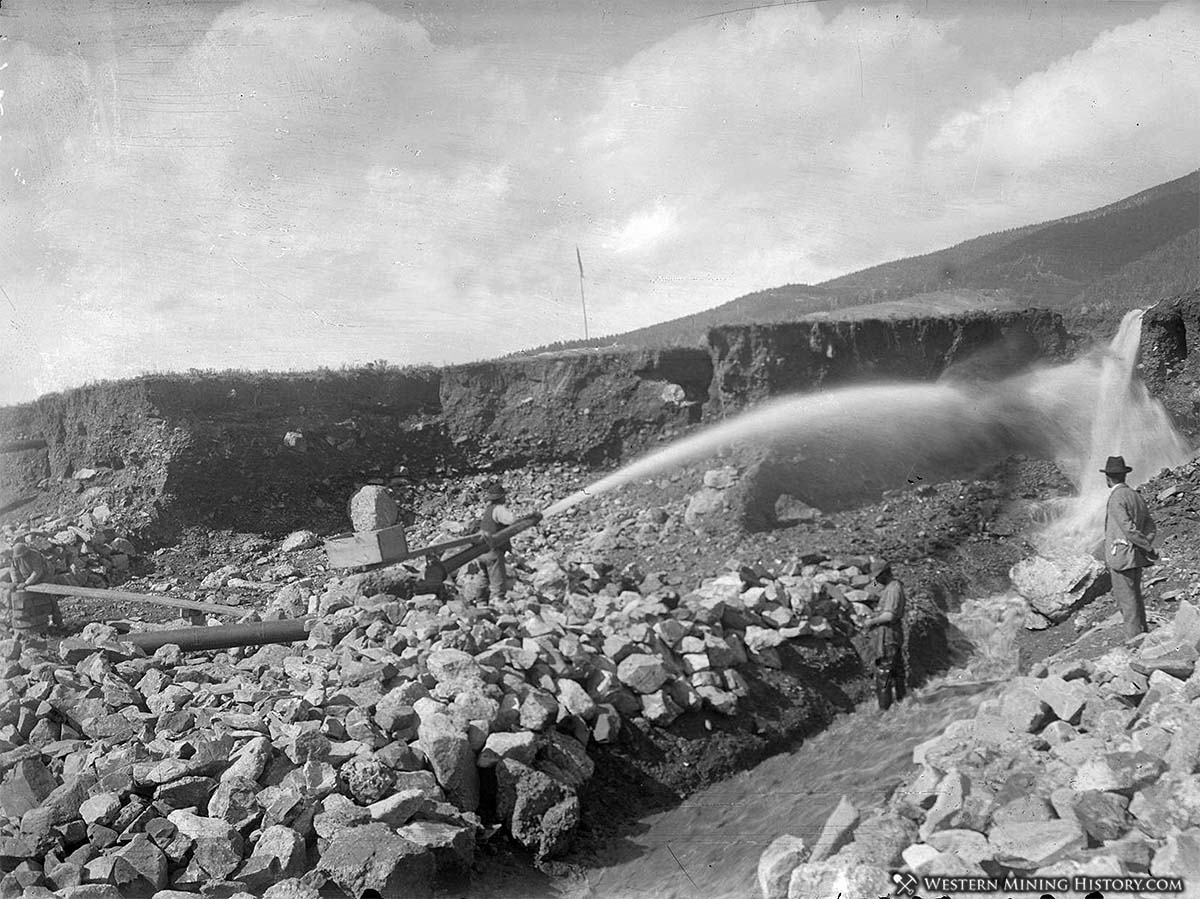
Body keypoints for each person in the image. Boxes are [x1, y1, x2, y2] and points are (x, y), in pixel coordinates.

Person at [1102, 455, 1158, 639]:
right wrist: (1145, 544)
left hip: (1121, 557)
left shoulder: (1116, 497)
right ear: (1124, 476)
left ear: (1108, 477)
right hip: (1136, 556)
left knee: (1127, 601)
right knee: (1135, 597)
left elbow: (1127, 528)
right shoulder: (1135, 496)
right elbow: (1150, 525)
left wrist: (1146, 547)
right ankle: (1143, 635)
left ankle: (1134, 641)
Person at [864, 558, 906, 711]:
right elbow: (869, 590)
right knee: (896, 671)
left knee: (884, 674)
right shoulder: (886, 585)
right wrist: (874, 582)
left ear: (885, 574)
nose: (875, 580)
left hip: (889, 636)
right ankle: (903, 702)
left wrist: (871, 622)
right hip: (889, 635)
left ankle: (884, 710)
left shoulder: (894, 588)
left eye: (877, 576)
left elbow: (889, 615)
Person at [9, 543, 64, 630]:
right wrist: (16, 582)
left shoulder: (34, 555)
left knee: (51, 599)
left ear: (26, 552)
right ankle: (36, 623)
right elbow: (13, 570)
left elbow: (37, 572)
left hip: (44, 578)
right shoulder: (16, 557)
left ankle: (58, 622)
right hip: (27, 579)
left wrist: (26, 583)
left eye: (23, 555)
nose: (21, 557)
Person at [480, 481, 517, 601]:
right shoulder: (499, 509)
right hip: (493, 549)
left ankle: (480, 600)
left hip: (480, 551)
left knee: (484, 576)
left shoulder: (488, 510)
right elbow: (511, 520)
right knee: (497, 579)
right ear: (501, 497)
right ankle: (497, 601)